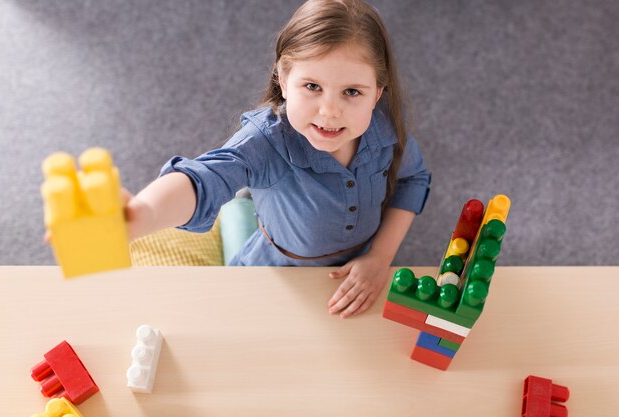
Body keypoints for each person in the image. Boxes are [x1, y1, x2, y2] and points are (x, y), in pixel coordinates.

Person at [125, 0, 431, 318]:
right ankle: (241, 208)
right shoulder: (266, 140)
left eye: (352, 92)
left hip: (363, 260)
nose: (330, 111)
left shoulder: (385, 125)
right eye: (312, 86)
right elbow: (205, 179)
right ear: (283, 80)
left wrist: (380, 258)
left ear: (377, 93)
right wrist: (143, 214)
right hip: (278, 267)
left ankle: (243, 204)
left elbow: (413, 179)